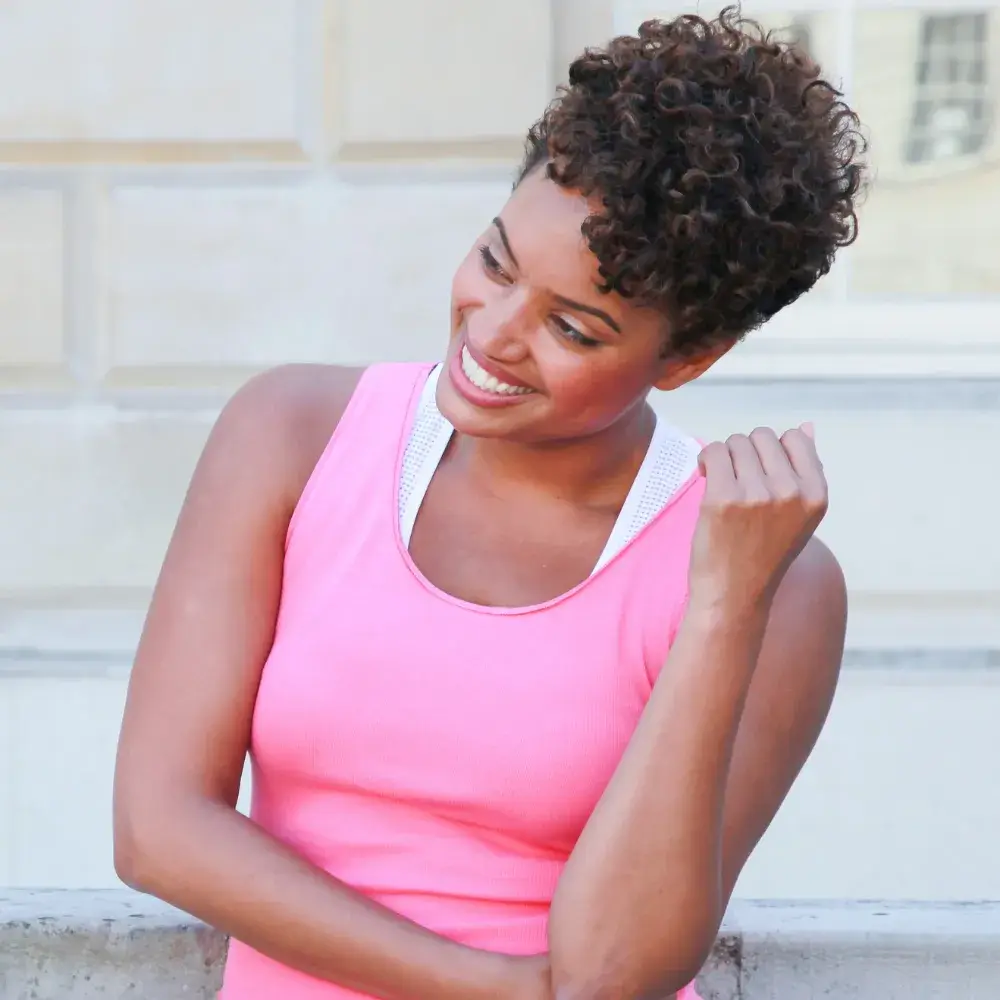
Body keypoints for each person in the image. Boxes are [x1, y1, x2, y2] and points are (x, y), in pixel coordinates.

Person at [112, 7, 865, 1000]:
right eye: (497, 261)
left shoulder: (772, 581)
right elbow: (157, 829)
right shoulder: (291, 435)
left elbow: (613, 972)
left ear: (687, 356)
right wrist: (494, 986)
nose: (494, 335)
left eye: (575, 326)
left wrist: (723, 605)